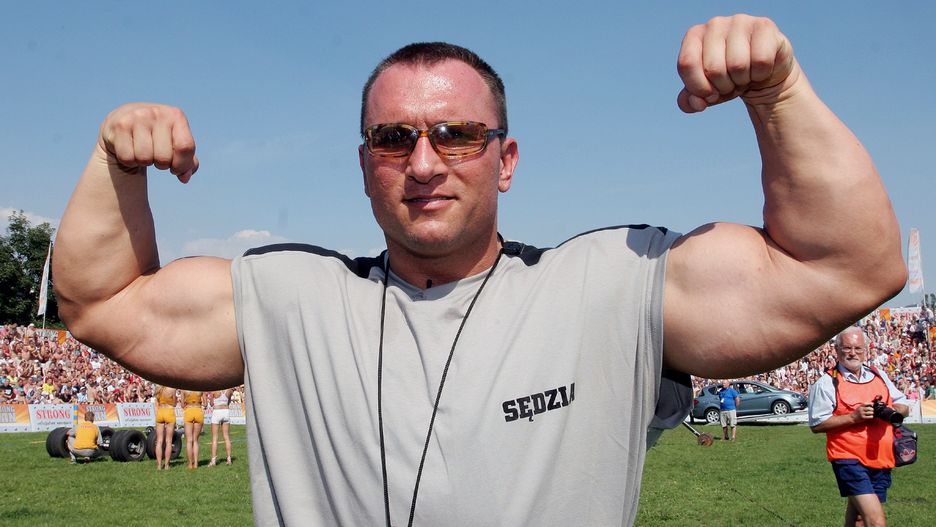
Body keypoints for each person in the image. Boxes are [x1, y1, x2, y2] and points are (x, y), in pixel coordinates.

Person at [53, 14, 906, 526]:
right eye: (394, 139)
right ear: (364, 165)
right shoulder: (289, 298)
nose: (425, 162)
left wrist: (778, 93)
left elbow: (848, 268)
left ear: (507, 160)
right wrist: (115, 166)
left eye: (458, 135)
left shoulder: (606, 284)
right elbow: (100, 301)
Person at [808, 327, 909, 527]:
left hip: (880, 456)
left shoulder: (879, 375)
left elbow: (904, 406)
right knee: (876, 521)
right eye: (847, 348)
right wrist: (854, 417)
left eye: (858, 348)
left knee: (859, 519)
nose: (852, 353)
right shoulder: (827, 382)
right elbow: (817, 424)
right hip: (848, 458)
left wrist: (891, 410)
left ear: (865, 350)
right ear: (837, 351)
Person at [153, 385, 177, 470]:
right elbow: (174, 404)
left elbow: (156, 402)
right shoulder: (172, 389)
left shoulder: (158, 388)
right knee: (169, 441)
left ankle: (159, 465)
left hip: (160, 412)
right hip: (169, 411)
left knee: (159, 441)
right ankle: (167, 465)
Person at [209, 388, 234, 466]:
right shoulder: (229, 390)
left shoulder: (214, 390)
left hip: (217, 411)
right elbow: (228, 402)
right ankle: (229, 459)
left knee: (215, 437)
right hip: (226, 411)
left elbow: (211, 404)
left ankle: (213, 460)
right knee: (226, 437)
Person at [181, 389, 205, 470]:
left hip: (189, 411)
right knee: (195, 440)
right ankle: (196, 463)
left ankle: (190, 464)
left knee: (189, 440)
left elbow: (182, 405)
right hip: (198, 411)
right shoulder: (200, 388)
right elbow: (205, 403)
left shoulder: (183, 389)